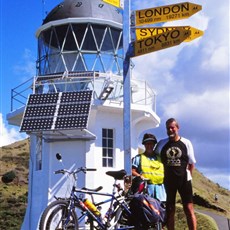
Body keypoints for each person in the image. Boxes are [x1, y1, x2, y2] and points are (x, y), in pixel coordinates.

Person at [155, 118, 197, 230]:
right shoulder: (162, 144)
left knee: (188, 209)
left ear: (177, 128)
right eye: (168, 128)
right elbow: (155, 158)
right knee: (170, 210)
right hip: (168, 181)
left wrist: (188, 176)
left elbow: (192, 163)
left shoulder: (186, 143)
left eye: (172, 127)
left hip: (184, 181)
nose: (170, 130)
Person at [132, 133, 166, 202]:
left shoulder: (161, 158)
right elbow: (132, 171)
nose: (149, 146)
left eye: (151, 144)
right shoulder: (138, 158)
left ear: (154, 145)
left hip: (161, 192)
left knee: (162, 211)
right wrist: (139, 176)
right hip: (146, 191)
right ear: (144, 145)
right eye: (147, 144)